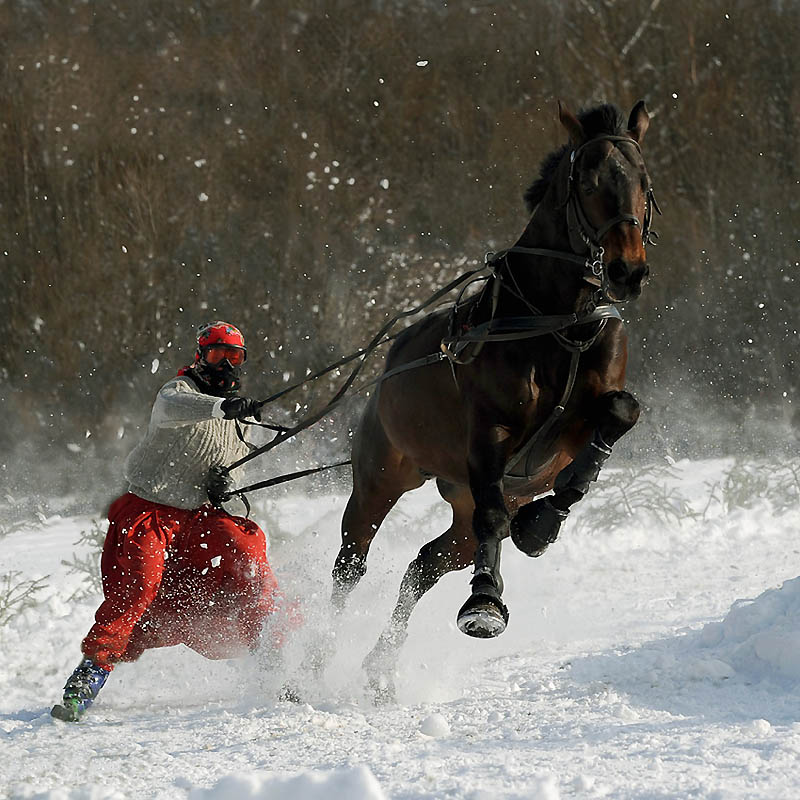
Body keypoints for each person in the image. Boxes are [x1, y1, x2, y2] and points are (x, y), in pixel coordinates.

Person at [52, 321, 287, 722]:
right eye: (217, 355)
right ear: (200, 356)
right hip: (151, 511)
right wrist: (224, 407)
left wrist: (226, 483)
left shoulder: (241, 416)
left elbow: (236, 468)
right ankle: (91, 672)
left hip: (201, 517)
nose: (225, 365)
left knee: (248, 552)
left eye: (234, 357)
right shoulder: (177, 392)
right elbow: (179, 408)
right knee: (140, 584)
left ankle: (272, 657)